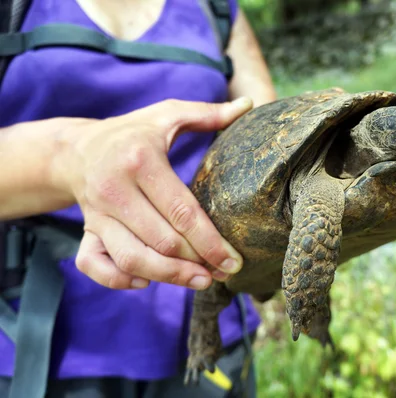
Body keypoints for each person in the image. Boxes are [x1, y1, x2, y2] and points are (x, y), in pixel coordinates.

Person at [0, 0, 277, 397]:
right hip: (40, 335)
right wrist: (70, 156)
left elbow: (268, 140)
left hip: (208, 327)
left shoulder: (216, 8)